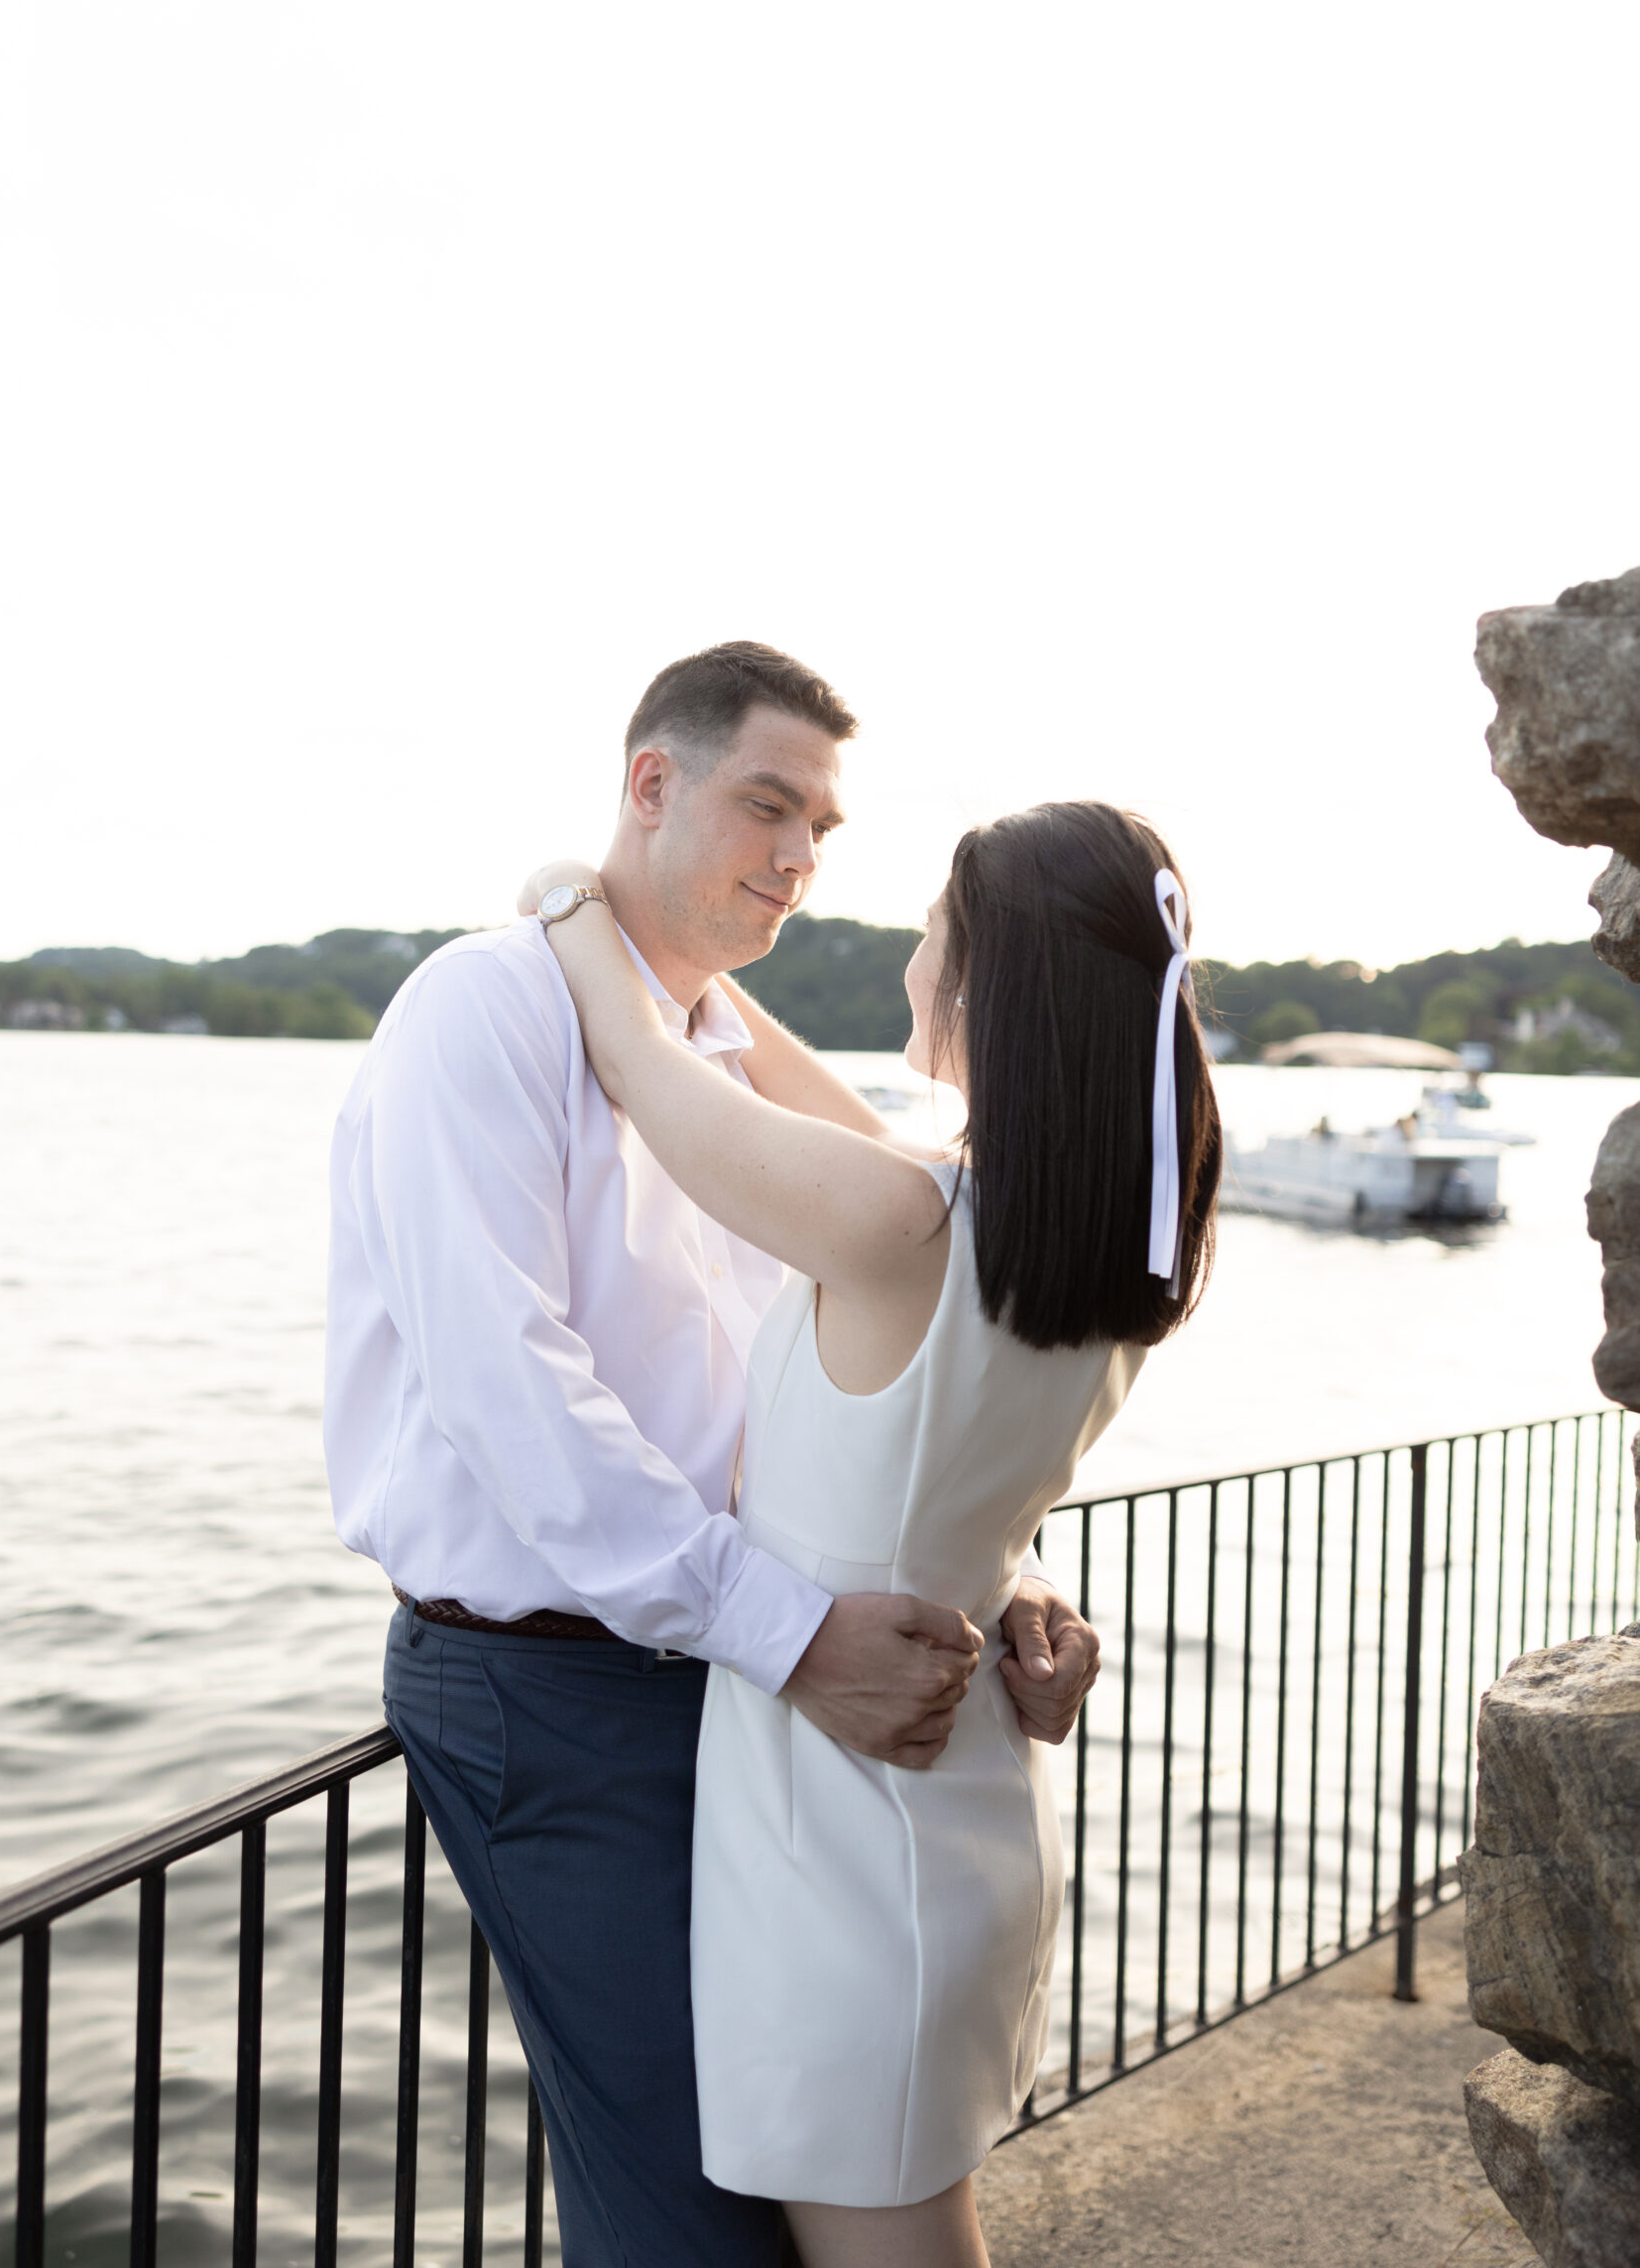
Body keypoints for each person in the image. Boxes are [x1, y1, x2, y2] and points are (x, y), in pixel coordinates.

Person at [322, 643, 1103, 2268]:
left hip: (745, 1677)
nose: (802, 861)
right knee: (691, 2213)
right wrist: (793, 1631)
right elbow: (506, 1385)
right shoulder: (484, 1004)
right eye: (768, 805)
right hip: (565, 1683)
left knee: (790, 2163)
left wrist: (992, 1576)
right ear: (649, 784)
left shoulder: (725, 1063)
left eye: (824, 825)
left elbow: (853, 1403)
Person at [521, 797, 1222, 2268]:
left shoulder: (905, 1226)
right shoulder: (1093, 1247)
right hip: (951, 1802)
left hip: (842, 1835)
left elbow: (648, 1069)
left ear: (983, 986)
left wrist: (576, 905)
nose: (911, 961)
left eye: (929, 935)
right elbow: (821, 1130)